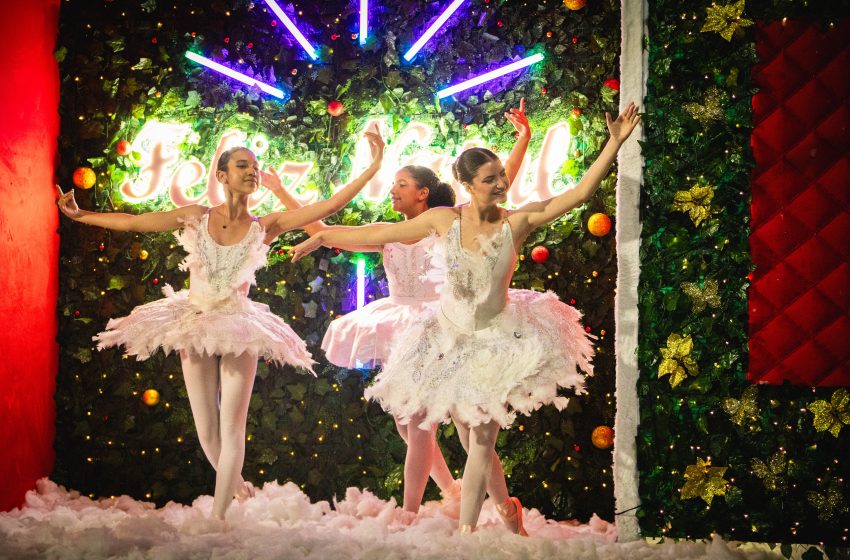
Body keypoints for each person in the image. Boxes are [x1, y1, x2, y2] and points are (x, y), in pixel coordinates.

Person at [289, 102, 641, 534]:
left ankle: (467, 534)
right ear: (468, 185)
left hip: (494, 341)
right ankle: (506, 512)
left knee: (481, 439)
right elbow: (379, 233)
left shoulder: (519, 222)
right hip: (447, 340)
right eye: (490, 179)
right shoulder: (443, 220)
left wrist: (614, 143)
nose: (501, 183)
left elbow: (580, 193)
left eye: (502, 176)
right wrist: (323, 235)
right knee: (460, 433)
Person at [56, 131, 385, 520]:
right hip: (194, 321)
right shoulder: (196, 215)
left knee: (232, 429)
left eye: (255, 167)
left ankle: (219, 517)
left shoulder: (267, 225)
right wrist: (81, 215)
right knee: (207, 431)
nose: (252, 171)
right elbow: (135, 223)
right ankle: (239, 490)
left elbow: (328, 205)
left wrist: (373, 168)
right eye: (242, 165)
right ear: (222, 175)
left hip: (238, 326)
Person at [266, 102, 532, 518]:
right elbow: (325, 231)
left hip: (441, 326)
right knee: (407, 422)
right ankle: (454, 490)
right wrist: (283, 194)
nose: (393, 190)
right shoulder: (390, 233)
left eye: (402, 184)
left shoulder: (447, 223)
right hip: (400, 321)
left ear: (423, 192)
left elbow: (496, 187)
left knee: (432, 423)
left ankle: (414, 512)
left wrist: (524, 140)